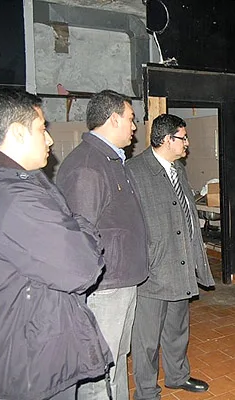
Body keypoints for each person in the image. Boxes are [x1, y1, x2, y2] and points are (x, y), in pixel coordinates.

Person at [0, 89, 112, 400]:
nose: (50, 140)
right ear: (17, 133)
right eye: (42, 129)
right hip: (29, 367)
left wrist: (69, 227)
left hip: (18, 353)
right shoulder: (14, 197)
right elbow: (82, 270)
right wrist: (82, 228)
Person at [56, 90, 150, 400]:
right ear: (113, 119)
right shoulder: (88, 166)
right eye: (131, 119)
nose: (134, 127)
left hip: (119, 280)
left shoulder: (110, 160)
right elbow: (79, 236)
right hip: (105, 287)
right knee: (100, 368)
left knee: (117, 358)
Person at [127, 113, 215, 400]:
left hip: (180, 265)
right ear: (167, 140)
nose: (187, 143)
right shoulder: (135, 171)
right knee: (147, 339)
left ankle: (178, 376)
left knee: (177, 330)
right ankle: (147, 392)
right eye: (183, 137)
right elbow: (129, 225)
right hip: (153, 270)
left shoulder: (178, 169)